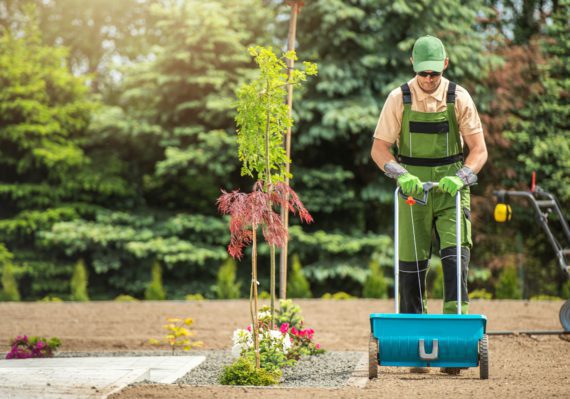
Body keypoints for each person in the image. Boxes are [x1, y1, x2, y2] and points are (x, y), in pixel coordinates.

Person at [370, 35, 488, 374]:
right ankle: (415, 349)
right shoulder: (398, 98)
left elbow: (479, 150)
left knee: (454, 261)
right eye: (423, 73)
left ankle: (454, 348)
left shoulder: (458, 98)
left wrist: (462, 176)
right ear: (413, 65)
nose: (428, 79)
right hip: (413, 188)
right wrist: (398, 173)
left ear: (445, 65)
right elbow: (379, 150)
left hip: (451, 188)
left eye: (434, 73)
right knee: (411, 268)